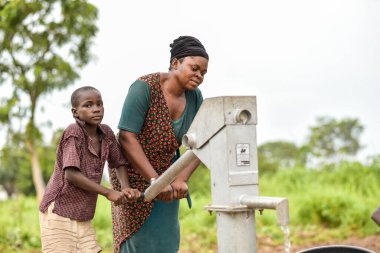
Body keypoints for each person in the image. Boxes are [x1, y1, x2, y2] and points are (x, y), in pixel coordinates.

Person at [108, 35, 209, 253]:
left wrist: (181, 178)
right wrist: (155, 181)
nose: (199, 75)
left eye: (203, 72)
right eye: (194, 68)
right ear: (175, 63)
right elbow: (126, 136)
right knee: (139, 240)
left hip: (169, 172)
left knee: (165, 239)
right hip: (132, 174)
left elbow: (201, 142)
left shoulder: (195, 98)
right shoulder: (145, 88)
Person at [39, 86, 141, 253]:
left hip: (83, 214)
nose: (96, 109)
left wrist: (125, 187)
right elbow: (71, 174)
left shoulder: (106, 133)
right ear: (75, 112)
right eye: (88, 105)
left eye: (99, 104)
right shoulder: (74, 132)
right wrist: (108, 192)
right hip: (59, 211)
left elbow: (119, 162)